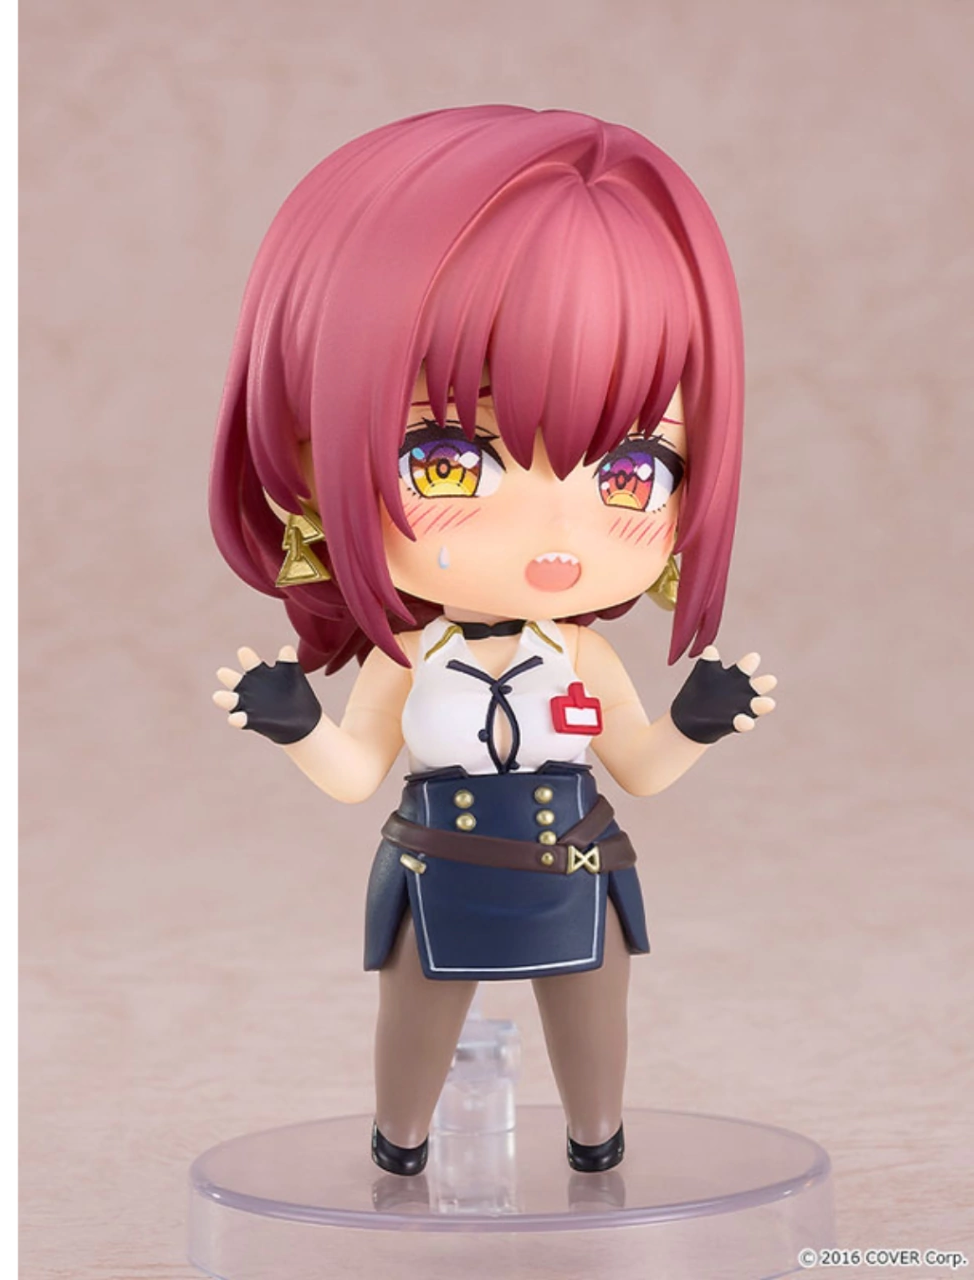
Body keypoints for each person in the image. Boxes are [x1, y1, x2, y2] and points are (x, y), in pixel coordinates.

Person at [209, 105, 777, 1176]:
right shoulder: (409, 661)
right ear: (313, 447)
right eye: (449, 460)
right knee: (420, 1010)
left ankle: (597, 1139)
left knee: (592, 1001)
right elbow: (353, 775)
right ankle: (401, 1141)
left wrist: (698, 724)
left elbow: (641, 767)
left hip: (575, 853)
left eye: (631, 472)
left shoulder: (580, 657)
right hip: (441, 857)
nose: (555, 534)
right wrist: (294, 727)